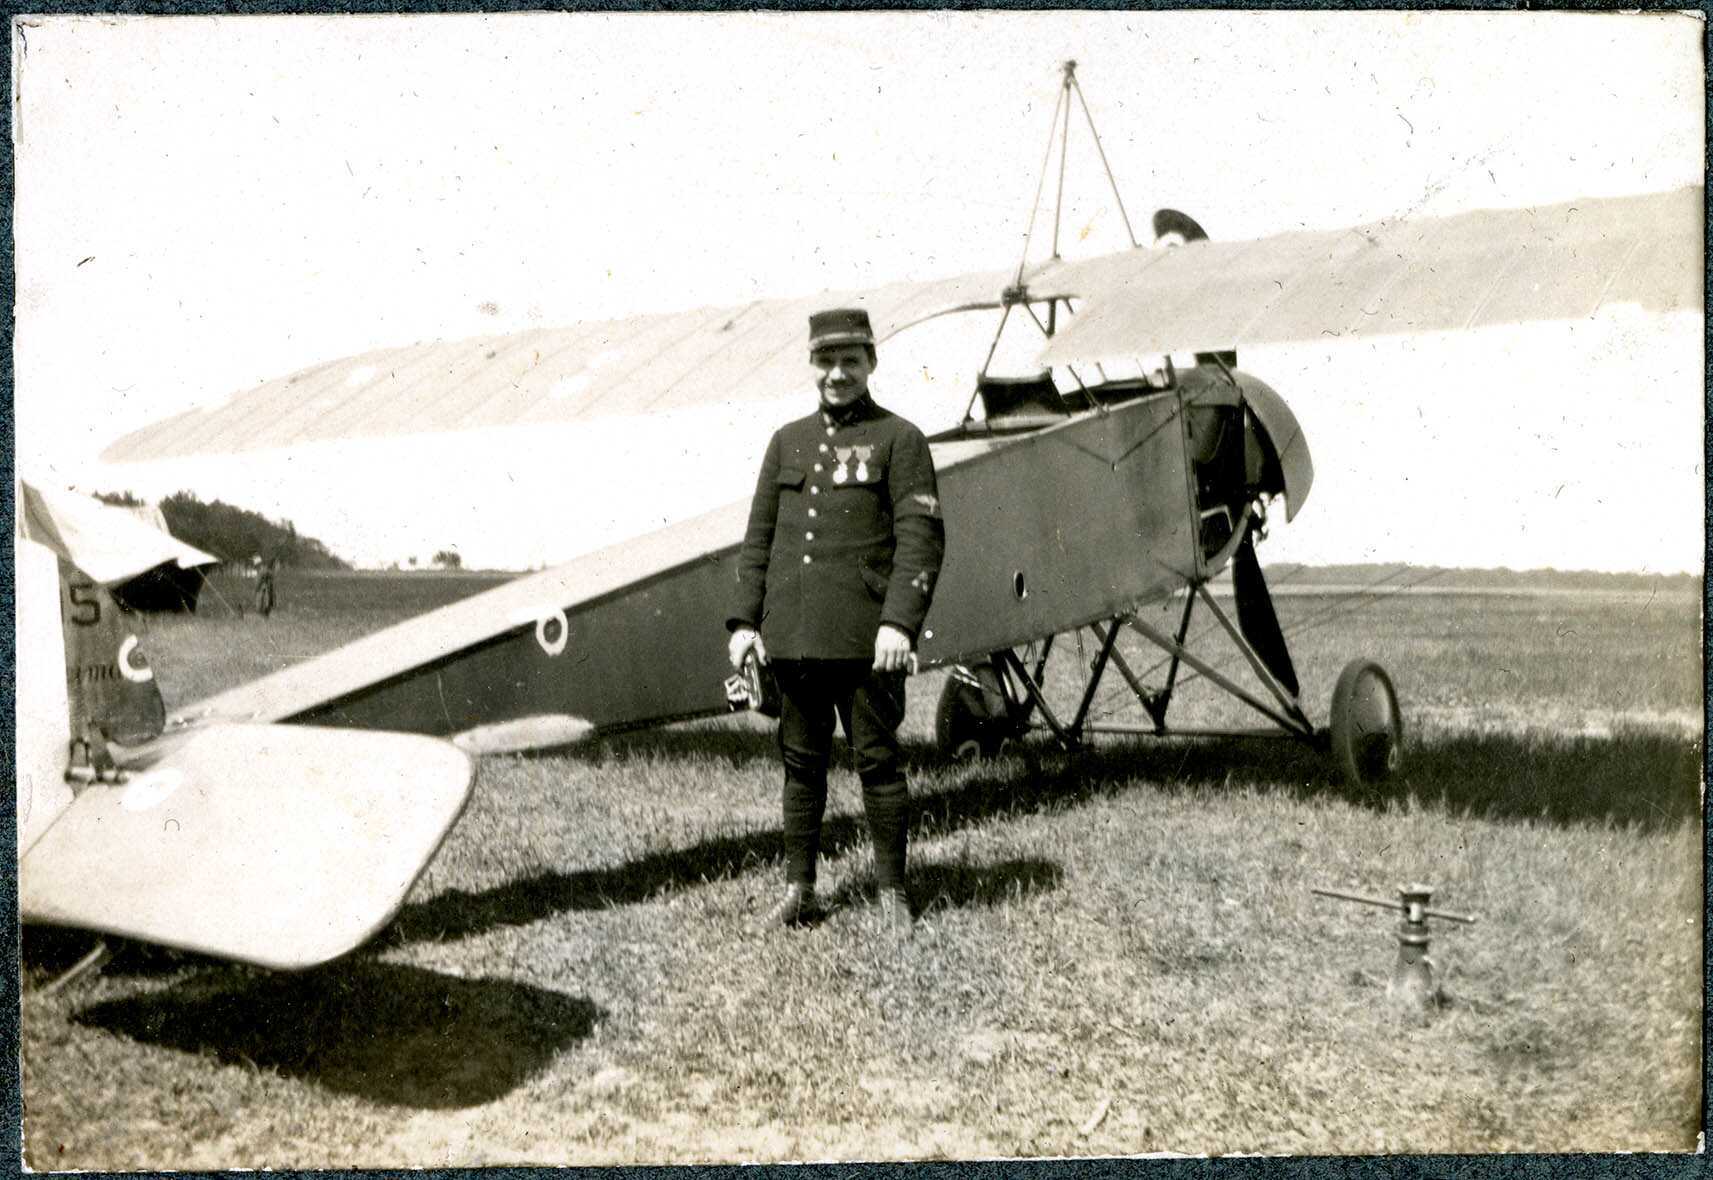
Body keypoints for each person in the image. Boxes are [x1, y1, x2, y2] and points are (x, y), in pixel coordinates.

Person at [727, 307, 945, 934]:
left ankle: (893, 895)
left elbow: (921, 539)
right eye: (826, 360)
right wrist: (744, 623)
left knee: (877, 762)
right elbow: (758, 541)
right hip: (793, 639)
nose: (837, 373)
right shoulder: (786, 441)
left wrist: (899, 624)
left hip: (867, 640)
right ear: (812, 364)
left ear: (871, 363)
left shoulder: (900, 439)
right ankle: (800, 890)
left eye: (851, 360)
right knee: (802, 766)